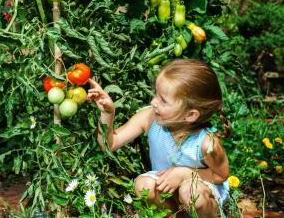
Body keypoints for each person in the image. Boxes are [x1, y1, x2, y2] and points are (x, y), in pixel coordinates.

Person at [87, 59, 230, 218]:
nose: (153, 102)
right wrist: (107, 113)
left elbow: (220, 176)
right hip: (166, 188)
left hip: (199, 191)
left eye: (163, 100)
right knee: (144, 186)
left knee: (190, 192)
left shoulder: (206, 142)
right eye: (156, 94)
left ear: (190, 115)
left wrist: (184, 174)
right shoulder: (150, 118)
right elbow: (109, 144)